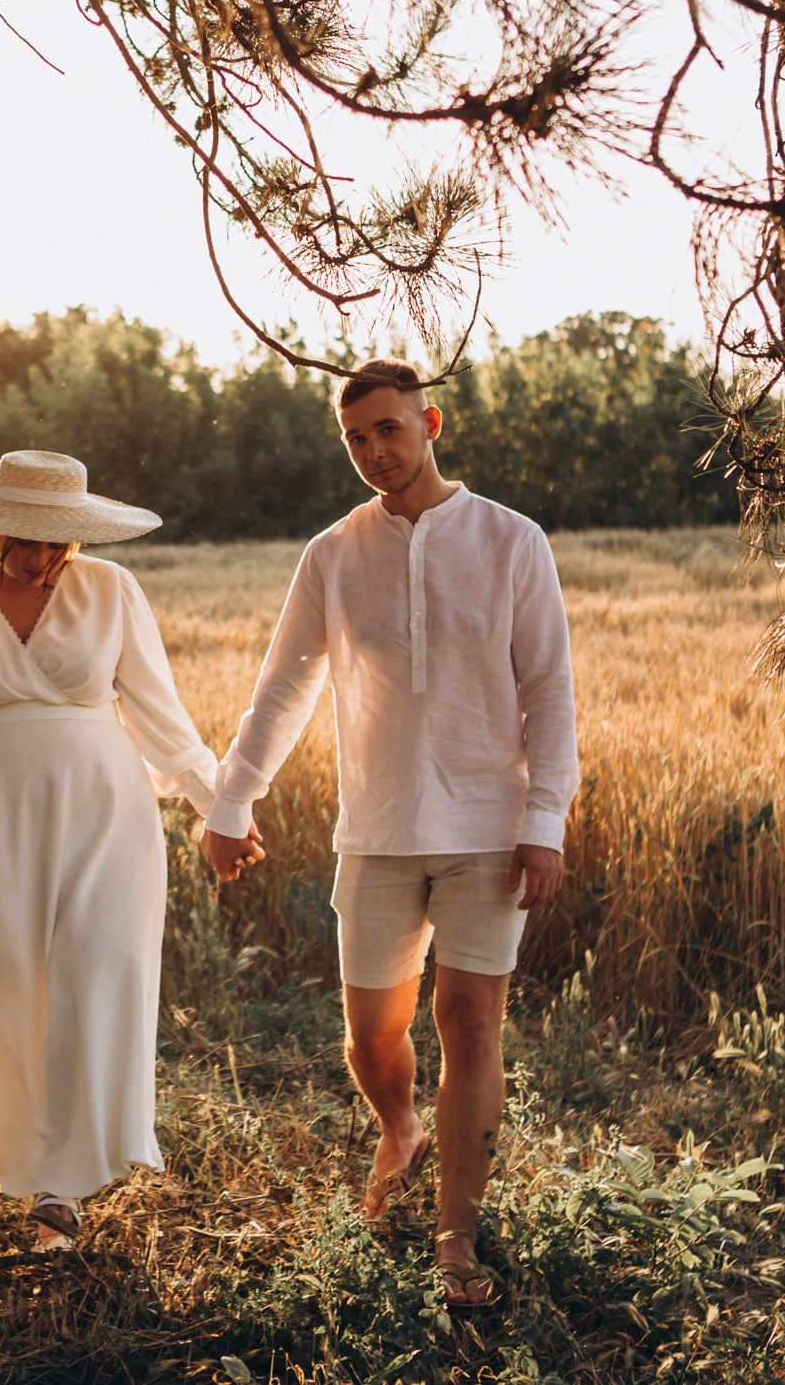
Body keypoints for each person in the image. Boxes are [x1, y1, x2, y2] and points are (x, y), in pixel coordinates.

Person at [199, 359, 578, 1311]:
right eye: (356, 438)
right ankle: (399, 1126)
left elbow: (549, 690)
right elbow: (284, 686)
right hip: (375, 826)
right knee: (371, 1035)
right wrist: (230, 800)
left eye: (388, 430)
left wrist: (545, 820)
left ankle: (456, 1235)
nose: (374, 451)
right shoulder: (332, 553)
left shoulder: (511, 541)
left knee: (470, 1022)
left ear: (430, 421)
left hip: (490, 827)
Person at [0, 450, 220, 1252]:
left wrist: (220, 802)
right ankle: (22, 1158)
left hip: (103, 812)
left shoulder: (112, 590)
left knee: (97, 971)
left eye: (61, 538)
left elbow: (163, 716)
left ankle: (64, 1181)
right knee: (4, 982)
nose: (44, 553)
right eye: (28, 533)